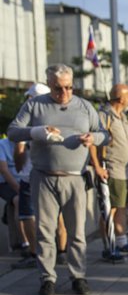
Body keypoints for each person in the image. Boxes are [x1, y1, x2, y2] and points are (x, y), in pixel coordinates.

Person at [8, 64, 109, 295]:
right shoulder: (35, 105)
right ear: (49, 84)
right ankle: (47, 278)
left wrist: (92, 137)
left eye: (68, 87)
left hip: (74, 177)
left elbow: (105, 135)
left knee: (77, 232)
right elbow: (13, 131)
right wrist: (36, 132)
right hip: (44, 176)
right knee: (45, 230)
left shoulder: (84, 106)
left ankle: (78, 275)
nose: (63, 93)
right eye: (57, 88)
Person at [11, 84, 70, 270]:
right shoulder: (59, 116)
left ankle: (34, 253)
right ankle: (62, 253)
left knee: (28, 215)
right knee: (59, 215)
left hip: (31, 176)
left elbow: (19, 151)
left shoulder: (29, 118)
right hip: (58, 172)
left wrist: (19, 161)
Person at [89, 83, 128, 262]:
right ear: (121, 98)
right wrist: (97, 167)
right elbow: (94, 142)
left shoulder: (122, 116)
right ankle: (109, 246)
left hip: (126, 170)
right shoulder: (104, 115)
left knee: (121, 207)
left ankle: (122, 242)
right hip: (111, 169)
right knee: (109, 209)